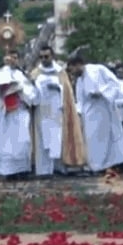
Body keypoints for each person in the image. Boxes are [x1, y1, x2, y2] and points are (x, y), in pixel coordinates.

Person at [66, 55, 123, 174]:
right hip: (89, 113)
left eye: (72, 69)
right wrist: (78, 114)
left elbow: (115, 83)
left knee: (103, 139)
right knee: (90, 140)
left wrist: (101, 92)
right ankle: (93, 166)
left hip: (103, 108)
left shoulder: (98, 70)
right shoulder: (79, 80)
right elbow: (80, 100)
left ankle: (102, 165)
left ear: (78, 64)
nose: (72, 72)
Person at [29, 46, 86, 177]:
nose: (44, 59)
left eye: (46, 56)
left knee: (58, 139)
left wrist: (58, 88)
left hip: (57, 111)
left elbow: (67, 91)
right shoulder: (35, 73)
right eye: (41, 57)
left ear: (52, 56)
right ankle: (43, 170)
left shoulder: (60, 72)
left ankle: (59, 168)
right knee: (42, 141)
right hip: (41, 111)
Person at [0, 54, 36, 179]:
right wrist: (2, 89)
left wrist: (19, 89)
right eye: (9, 58)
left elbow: (31, 95)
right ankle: (7, 171)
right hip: (4, 114)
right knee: (5, 144)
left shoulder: (21, 75)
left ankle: (22, 170)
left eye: (15, 57)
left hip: (19, 113)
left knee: (22, 142)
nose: (11, 60)